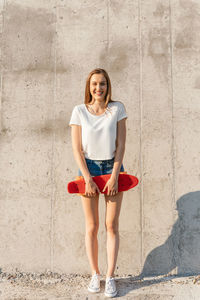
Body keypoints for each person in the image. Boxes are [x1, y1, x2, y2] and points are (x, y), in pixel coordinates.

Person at [69, 68, 128, 298]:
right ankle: (95, 274)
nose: (98, 88)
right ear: (89, 86)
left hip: (113, 168)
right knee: (92, 227)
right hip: (88, 170)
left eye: (102, 84)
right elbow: (76, 149)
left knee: (111, 225)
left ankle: (110, 277)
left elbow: (121, 145)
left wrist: (115, 175)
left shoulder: (117, 109)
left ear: (107, 85)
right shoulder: (79, 111)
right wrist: (87, 178)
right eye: (94, 84)